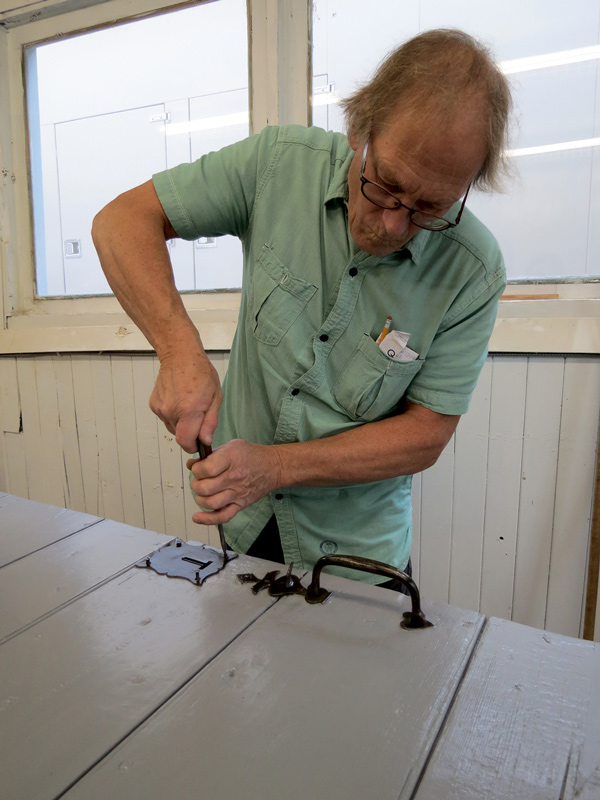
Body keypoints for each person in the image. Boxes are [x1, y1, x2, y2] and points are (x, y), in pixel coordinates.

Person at [92, 28, 512, 587]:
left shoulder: (473, 269)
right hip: (245, 524)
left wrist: (276, 466)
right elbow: (120, 222)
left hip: (359, 555)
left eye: (430, 207)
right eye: (385, 185)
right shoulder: (277, 165)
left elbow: (425, 434)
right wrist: (178, 352)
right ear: (361, 127)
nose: (393, 224)